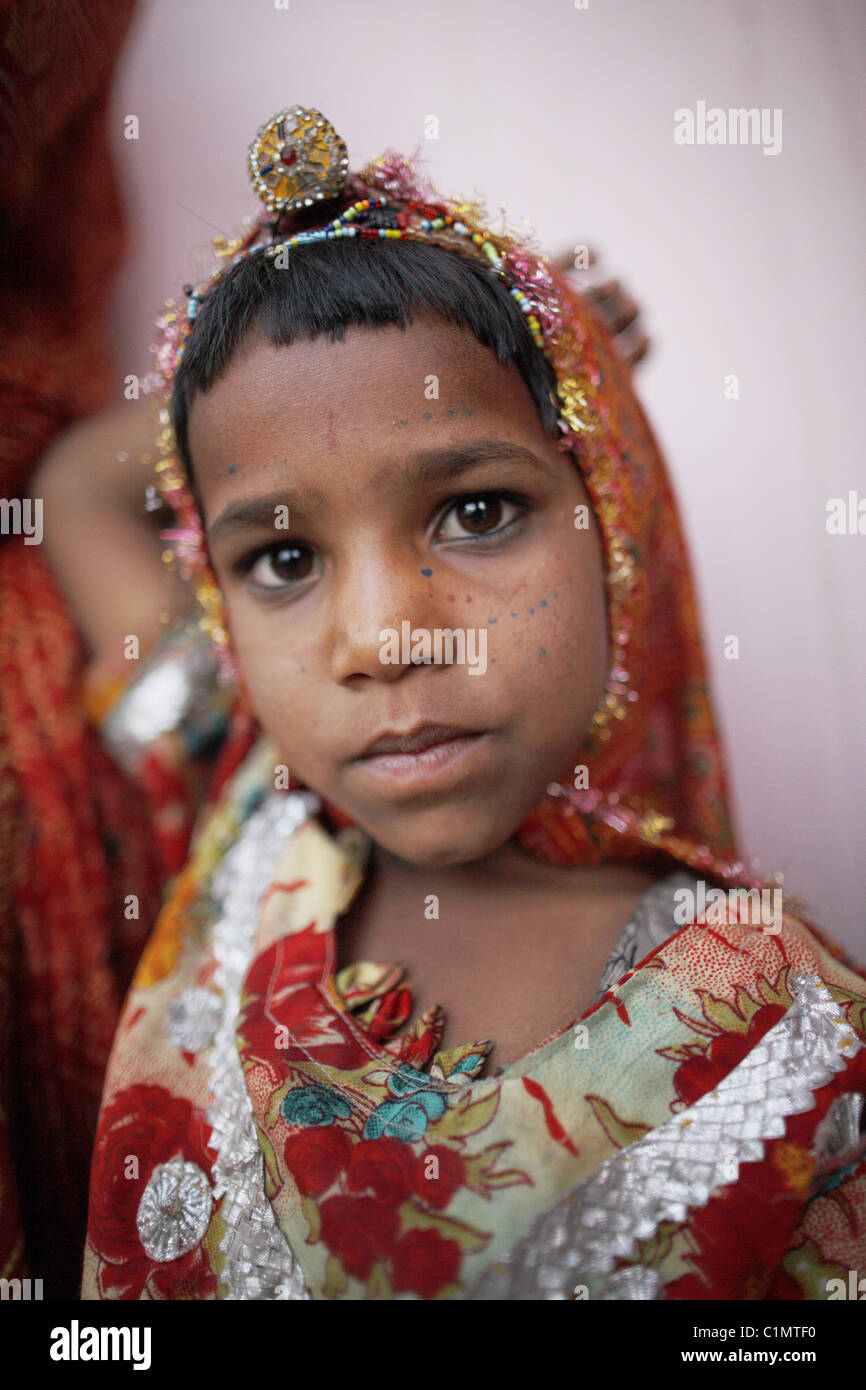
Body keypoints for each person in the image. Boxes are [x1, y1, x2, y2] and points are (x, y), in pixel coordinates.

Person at [50, 105, 866, 1300]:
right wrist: (306, 314)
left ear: (614, 521)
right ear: (223, 615)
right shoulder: (244, 801)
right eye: (283, 559)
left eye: (475, 511)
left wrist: (529, 334)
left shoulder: (790, 1038)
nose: (380, 639)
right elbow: (75, 481)